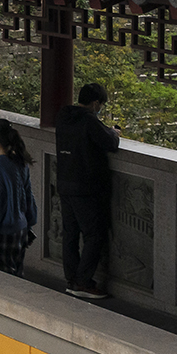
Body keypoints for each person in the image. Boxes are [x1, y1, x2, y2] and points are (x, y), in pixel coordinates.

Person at [56, 81, 120, 299]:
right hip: (84, 186)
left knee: (70, 234)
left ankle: (71, 279)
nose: (100, 108)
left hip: (64, 182)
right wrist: (114, 133)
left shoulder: (64, 117)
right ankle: (83, 282)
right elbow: (110, 143)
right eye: (101, 104)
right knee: (94, 235)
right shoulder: (89, 121)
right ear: (95, 103)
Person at [0, 119, 38, 276]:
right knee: (17, 275)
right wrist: (30, 221)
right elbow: (28, 195)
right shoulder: (20, 161)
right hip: (21, 229)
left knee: (1, 278)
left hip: (3, 231)